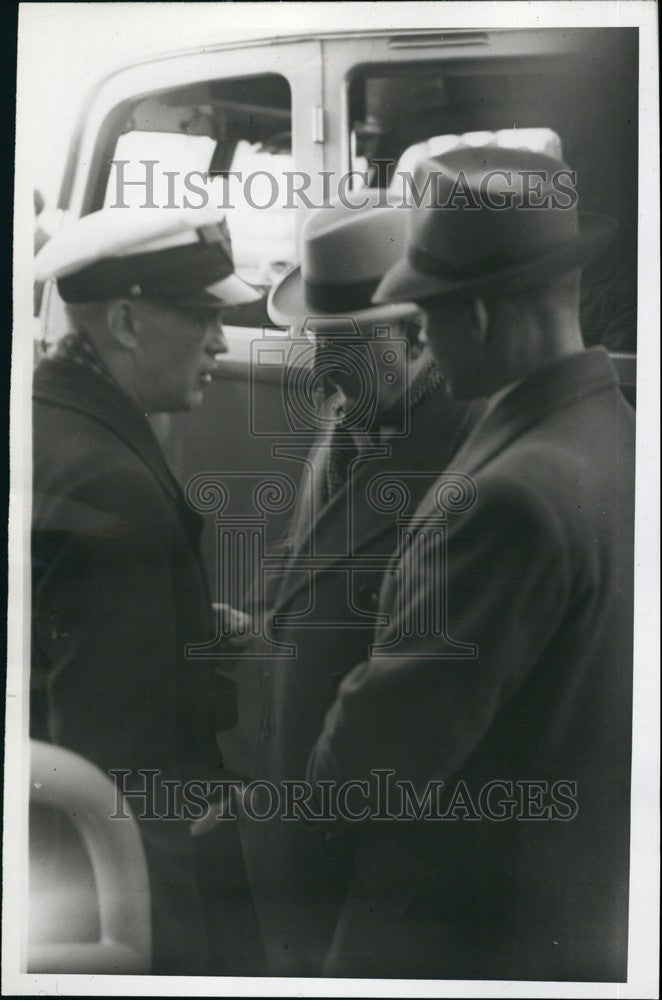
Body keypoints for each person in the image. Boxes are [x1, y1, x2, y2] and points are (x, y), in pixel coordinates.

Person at [307, 147, 635, 981]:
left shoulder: (504, 499)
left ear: (479, 318)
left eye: (426, 317)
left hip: (456, 929)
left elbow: (372, 766)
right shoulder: (618, 436)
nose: (422, 342)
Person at [231, 191, 484, 975]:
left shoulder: (466, 460)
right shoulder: (352, 416)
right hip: (291, 831)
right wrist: (262, 627)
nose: (321, 363)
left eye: (344, 340)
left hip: (360, 848)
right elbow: (313, 576)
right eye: (316, 336)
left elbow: (425, 690)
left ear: (416, 334)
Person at [31, 205, 262, 974]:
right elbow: (118, 776)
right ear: (125, 322)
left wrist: (184, 624)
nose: (222, 341)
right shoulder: (113, 483)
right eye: (202, 316)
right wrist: (169, 957)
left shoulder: (48, 421)